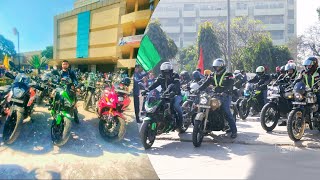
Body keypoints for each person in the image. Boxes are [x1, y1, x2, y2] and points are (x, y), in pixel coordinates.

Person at [196, 58, 237, 138]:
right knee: (205, 105)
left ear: (222, 67)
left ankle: (234, 131)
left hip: (226, 95)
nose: (216, 68)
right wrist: (198, 89)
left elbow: (230, 85)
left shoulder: (228, 75)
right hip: (215, 94)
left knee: (226, 110)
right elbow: (206, 83)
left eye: (218, 67)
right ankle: (206, 125)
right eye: (215, 67)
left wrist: (225, 92)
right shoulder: (212, 75)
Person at [141, 62, 184, 132]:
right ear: (162, 71)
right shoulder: (160, 77)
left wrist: (173, 92)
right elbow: (155, 84)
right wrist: (147, 90)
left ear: (171, 71)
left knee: (176, 106)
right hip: (164, 94)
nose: (166, 74)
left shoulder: (175, 75)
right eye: (165, 72)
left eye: (168, 72)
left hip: (176, 94)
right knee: (157, 105)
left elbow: (177, 84)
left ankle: (180, 123)